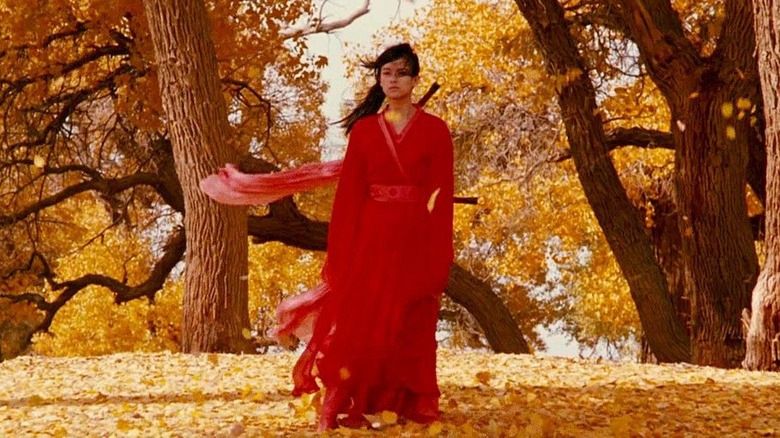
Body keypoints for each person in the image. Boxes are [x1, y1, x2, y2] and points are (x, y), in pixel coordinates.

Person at [202, 42, 454, 431]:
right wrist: (342, 253)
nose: (393, 80)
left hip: (414, 237)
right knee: (359, 321)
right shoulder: (366, 132)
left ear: (415, 79)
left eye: (402, 73)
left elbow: (441, 195)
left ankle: (401, 401)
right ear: (379, 79)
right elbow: (350, 197)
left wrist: (437, 251)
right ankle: (339, 401)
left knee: (408, 320)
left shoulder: (436, 131)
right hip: (370, 236)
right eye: (386, 73)